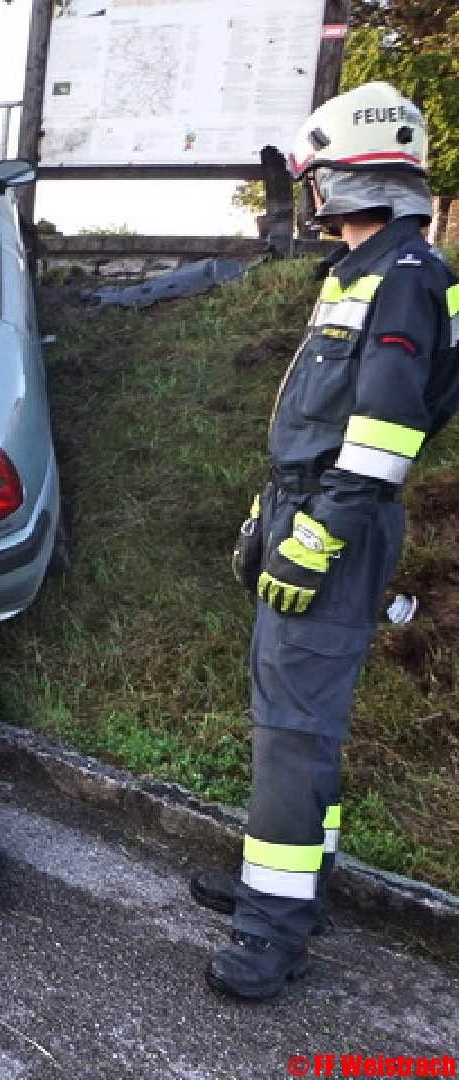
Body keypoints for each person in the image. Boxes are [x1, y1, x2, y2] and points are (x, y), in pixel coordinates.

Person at [193, 82, 459, 1001]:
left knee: (294, 736)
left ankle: (275, 929)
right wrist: (265, 523)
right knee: (290, 726)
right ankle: (289, 880)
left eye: (318, 178)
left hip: (334, 528)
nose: (310, 195)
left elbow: (384, 437)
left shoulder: (406, 280)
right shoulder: (362, 273)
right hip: (305, 511)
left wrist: (312, 542)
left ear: (352, 179)